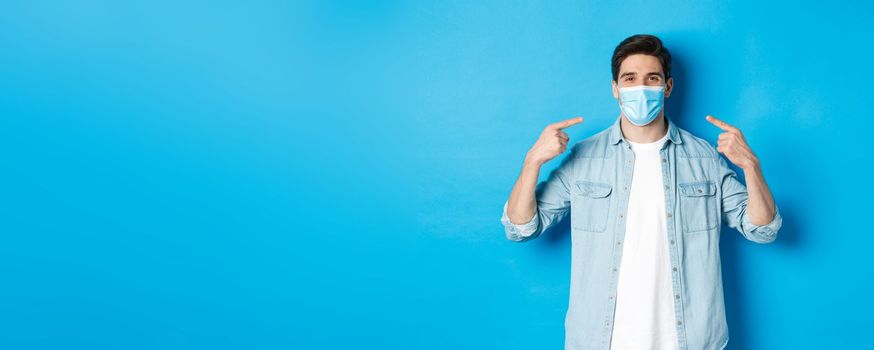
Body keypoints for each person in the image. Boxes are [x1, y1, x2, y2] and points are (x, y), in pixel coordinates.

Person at [499, 34, 782, 350]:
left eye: (652, 79)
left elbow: (762, 229)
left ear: (668, 87)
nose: (641, 88)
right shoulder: (584, 158)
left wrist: (751, 167)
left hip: (689, 340)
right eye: (630, 79)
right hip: (601, 340)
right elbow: (520, 228)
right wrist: (532, 161)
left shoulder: (704, 159)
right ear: (615, 89)